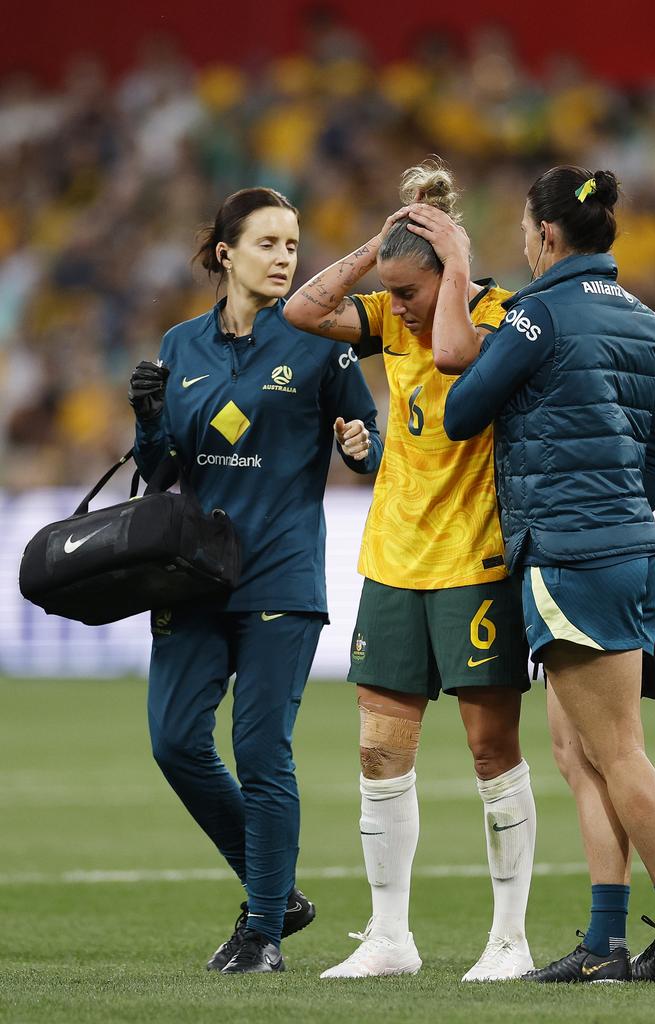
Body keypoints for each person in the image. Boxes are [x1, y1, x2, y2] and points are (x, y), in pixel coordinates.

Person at [441, 166, 655, 983]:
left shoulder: (538, 314)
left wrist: (587, 521)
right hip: (627, 551)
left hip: (571, 559)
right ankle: (605, 943)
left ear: (545, 237)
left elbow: (464, 413)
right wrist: (616, 513)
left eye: (528, 231)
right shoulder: (642, 320)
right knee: (579, 754)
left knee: (618, 754)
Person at [284, 160, 536, 982]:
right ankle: (389, 937)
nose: (396, 309)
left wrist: (456, 264)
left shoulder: (501, 319)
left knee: (491, 752)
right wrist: (373, 252)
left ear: (451, 275)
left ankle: (509, 940)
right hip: (393, 558)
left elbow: (457, 348)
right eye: (390, 294)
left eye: (408, 292)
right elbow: (301, 309)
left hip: (474, 559)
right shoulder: (391, 321)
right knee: (378, 754)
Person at [128, 186, 382, 975]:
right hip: (194, 576)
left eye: (292, 247)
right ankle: (279, 891)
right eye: (268, 244)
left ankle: (263, 929)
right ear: (225, 253)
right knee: (174, 742)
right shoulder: (180, 344)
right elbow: (162, 470)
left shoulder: (320, 341)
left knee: (261, 750)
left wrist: (357, 442)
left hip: (280, 572)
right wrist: (145, 418)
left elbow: (367, 447)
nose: (284, 259)